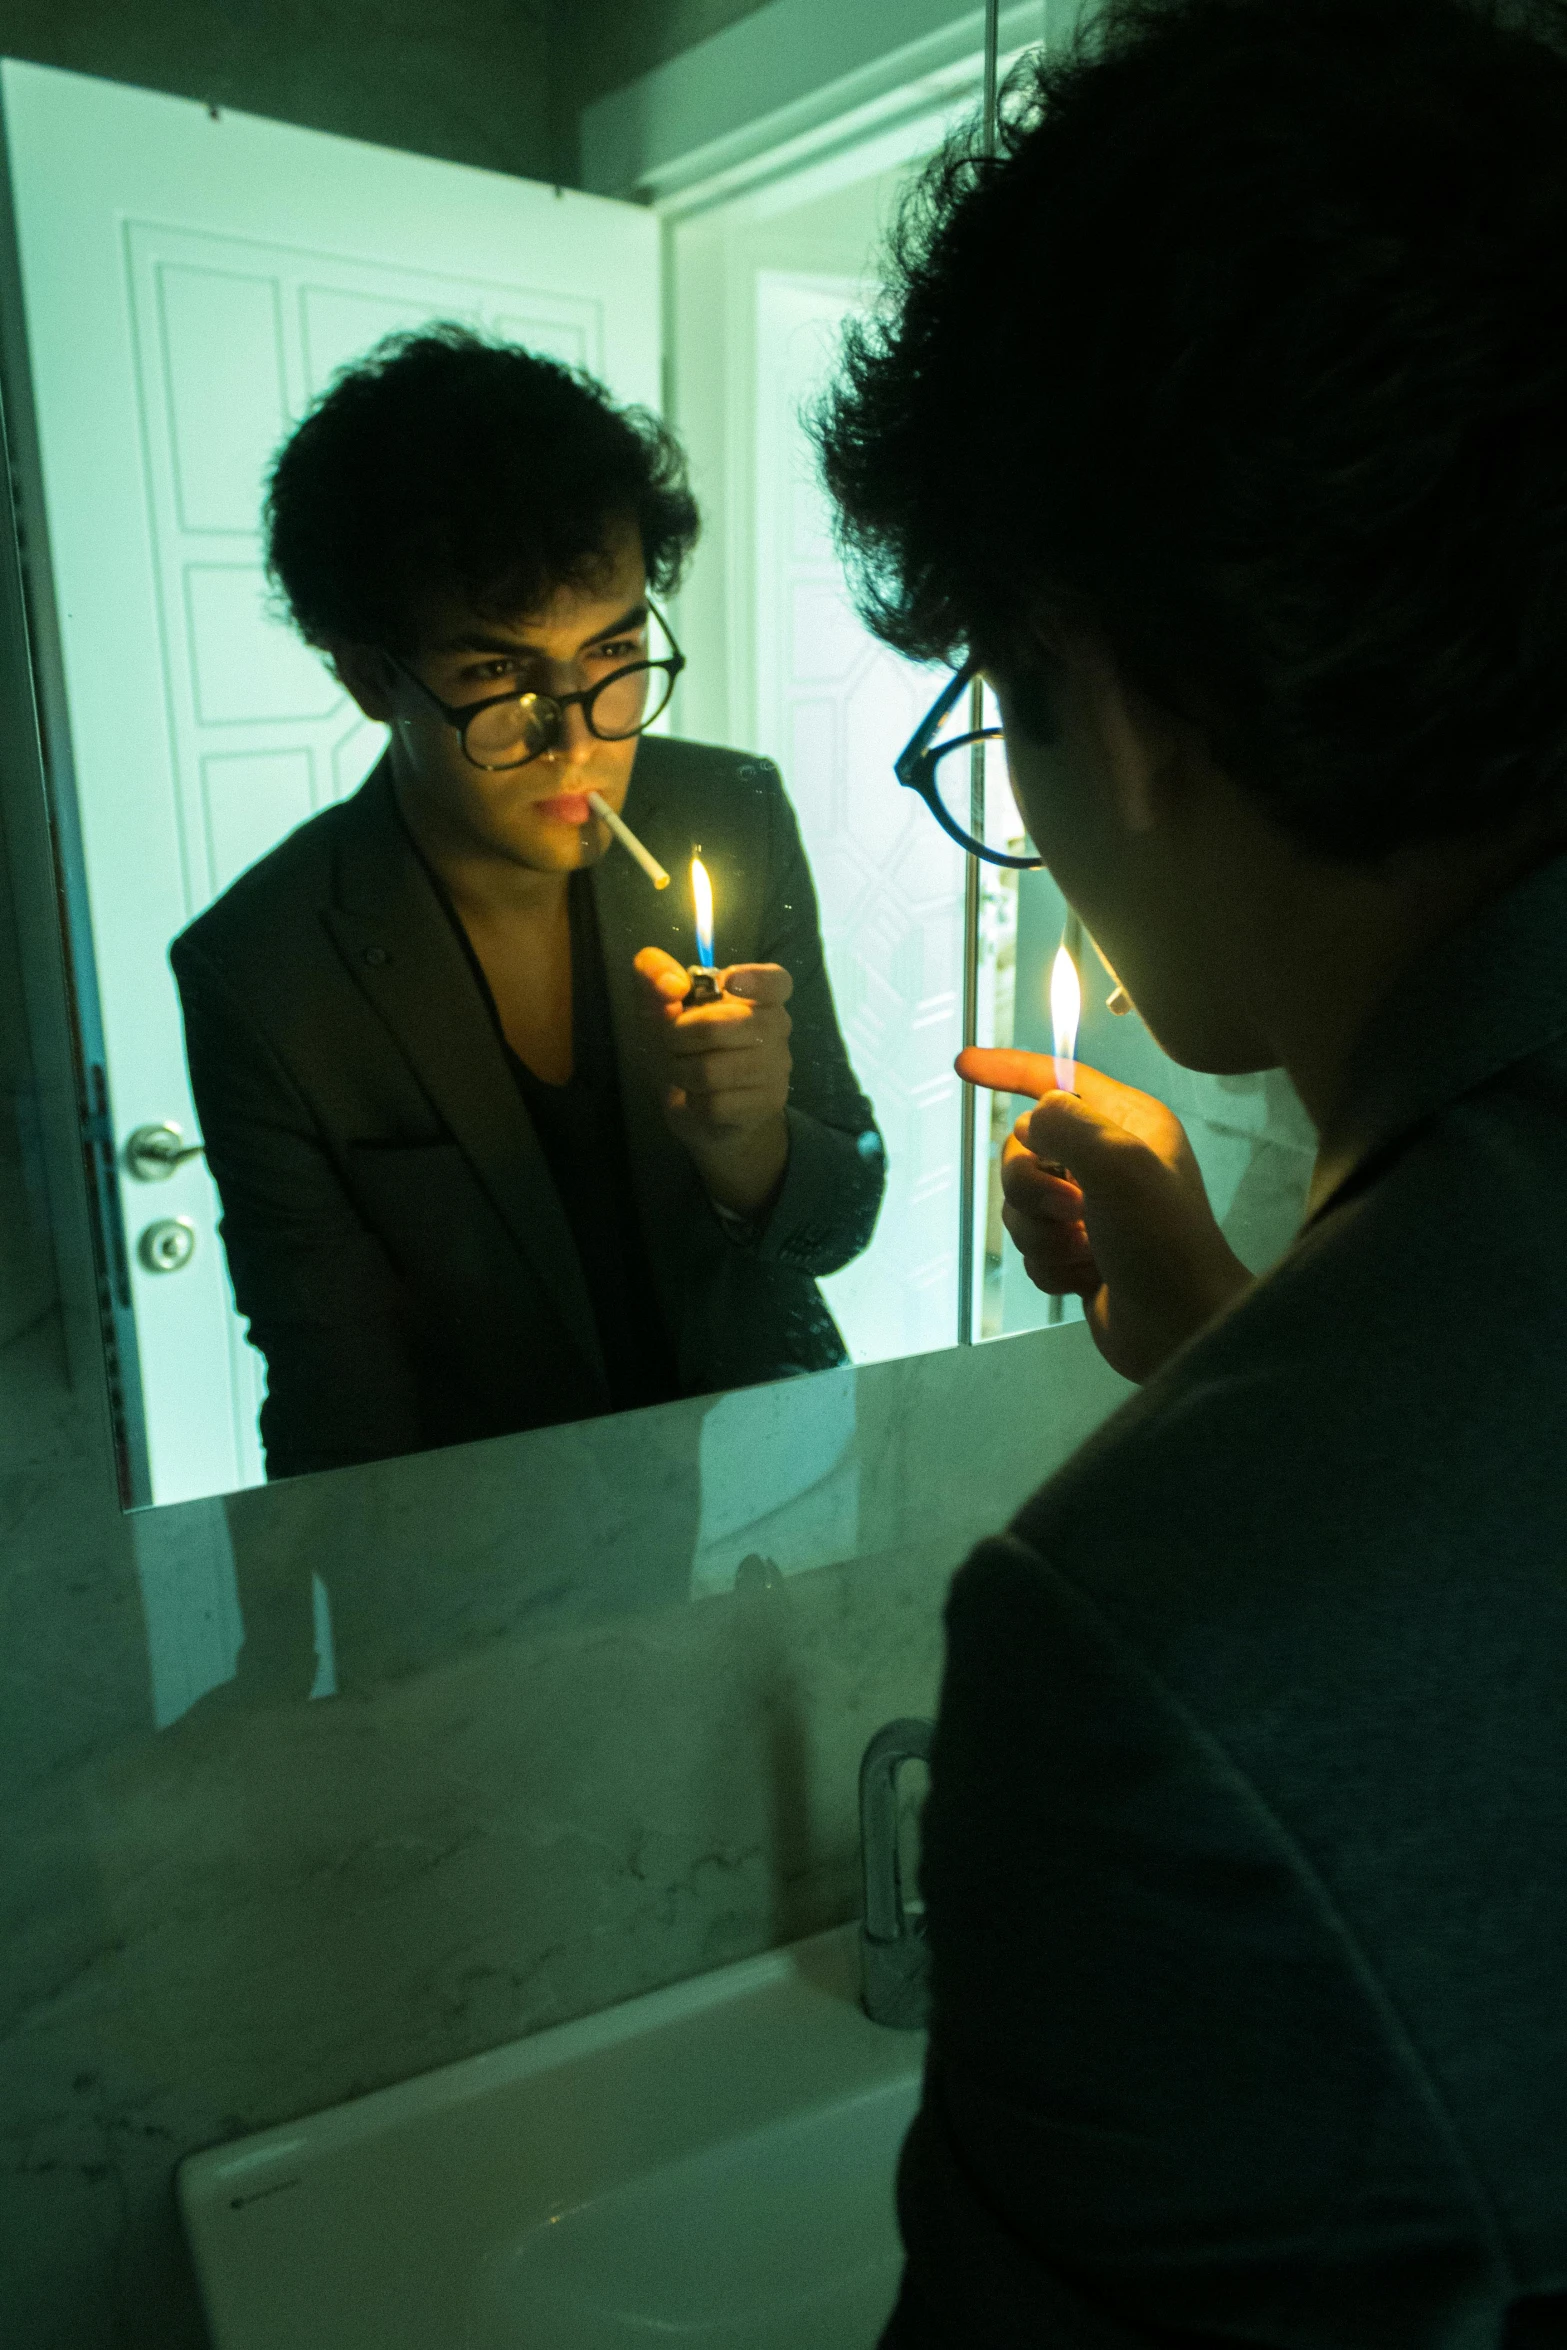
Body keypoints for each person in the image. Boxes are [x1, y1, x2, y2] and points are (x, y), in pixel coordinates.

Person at [807, 0, 1567, 2340]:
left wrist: (1241, 1445)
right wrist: (1236, 1335)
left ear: (1104, 694)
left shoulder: (1133, 1645)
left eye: (989, 723)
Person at [171, 326, 884, 1481]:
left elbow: (837, 1220)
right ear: (367, 675)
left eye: (611, 653)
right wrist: (320, 1654)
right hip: (491, 1547)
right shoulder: (266, 971)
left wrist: (746, 1143)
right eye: (499, 677)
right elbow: (328, 1381)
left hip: (775, 1486)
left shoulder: (727, 810)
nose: (583, 740)